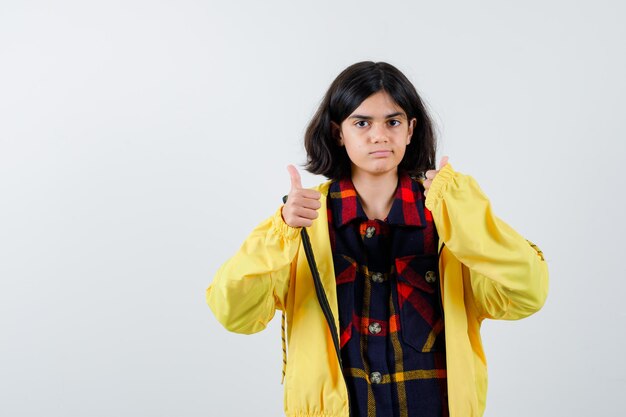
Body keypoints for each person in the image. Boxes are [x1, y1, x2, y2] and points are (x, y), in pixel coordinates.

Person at [206, 61, 549, 417]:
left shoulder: (449, 221)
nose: (379, 135)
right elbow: (234, 314)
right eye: (362, 123)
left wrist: (469, 216)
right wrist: (279, 231)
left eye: (393, 121)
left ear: (411, 130)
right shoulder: (303, 226)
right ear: (339, 132)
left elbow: (527, 293)